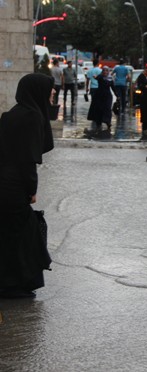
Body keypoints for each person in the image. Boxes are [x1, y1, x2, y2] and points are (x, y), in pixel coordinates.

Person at [0, 73, 55, 298]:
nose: (52, 95)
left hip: (3, 182)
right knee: (23, 236)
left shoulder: (10, 115)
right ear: (38, 92)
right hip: (15, 186)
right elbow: (27, 160)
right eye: (50, 91)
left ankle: (11, 283)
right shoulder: (33, 117)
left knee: (10, 234)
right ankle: (14, 286)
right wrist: (31, 190)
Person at [87, 66, 116, 132]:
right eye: (104, 71)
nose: (105, 72)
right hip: (99, 96)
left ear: (108, 72)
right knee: (99, 109)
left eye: (106, 71)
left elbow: (113, 87)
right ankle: (98, 123)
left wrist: (117, 95)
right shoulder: (100, 77)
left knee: (108, 108)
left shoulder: (110, 79)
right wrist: (96, 77)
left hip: (107, 96)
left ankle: (108, 122)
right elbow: (97, 78)